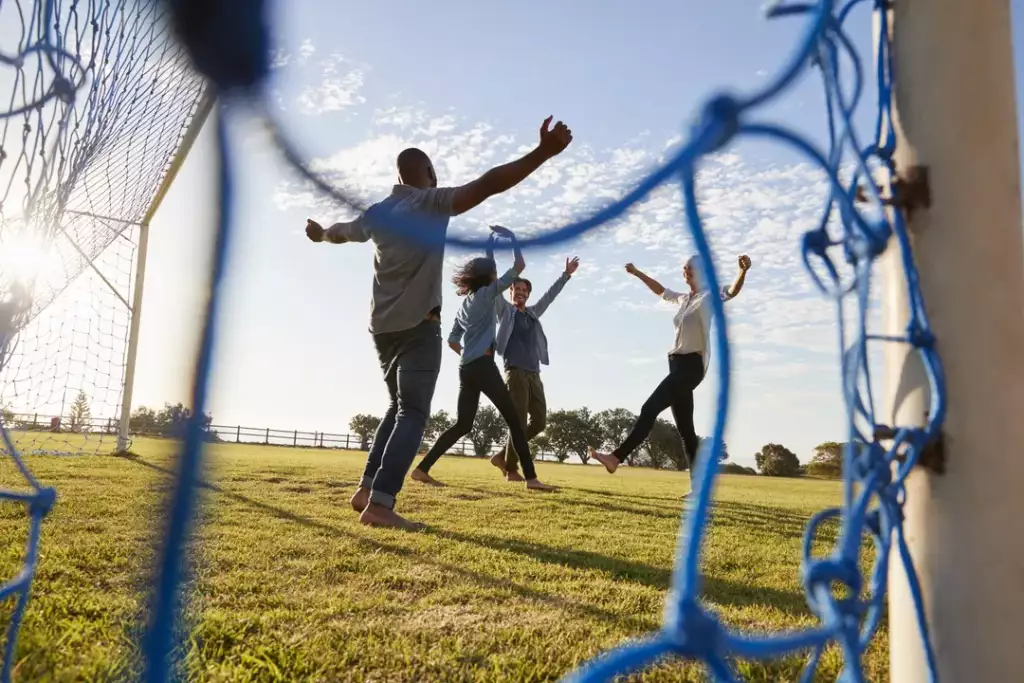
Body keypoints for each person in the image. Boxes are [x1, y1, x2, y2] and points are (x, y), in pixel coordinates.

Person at [305, 116, 572, 529]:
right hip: (418, 327)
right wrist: (542, 153)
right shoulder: (429, 201)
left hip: (382, 329)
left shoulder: (378, 213)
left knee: (397, 408)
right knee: (413, 412)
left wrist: (321, 234)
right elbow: (488, 184)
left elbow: (342, 231)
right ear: (427, 173)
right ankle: (381, 503)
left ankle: (365, 489)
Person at [590, 254, 752, 495]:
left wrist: (742, 271)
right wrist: (637, 273)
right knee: (687, 431)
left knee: (649, 408)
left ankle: (616, 457)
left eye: (688, 268)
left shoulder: (709, 297)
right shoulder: (684, 299)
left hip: (690, 367)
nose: (684, 271)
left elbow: (732, 291)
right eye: (683, 268)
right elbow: (662, 291)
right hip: (675, 366)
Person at [411, 227, 557, 492]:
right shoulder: (489, 294)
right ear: (489, 277)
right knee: (516, 421)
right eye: (493, 273)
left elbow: (453, 340)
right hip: (483, 366)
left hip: (466, 368)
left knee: (463, 424)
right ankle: (532, 479)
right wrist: (513, 238)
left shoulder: (466, 303)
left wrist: (471, 352)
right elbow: (519, 265)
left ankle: (422, 469)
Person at [487, 256, 579, 481]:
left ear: (528, 294)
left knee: (539, 422)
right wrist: (490, 259)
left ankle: (501, 456)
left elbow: (550, 296)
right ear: (510, 292)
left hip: (534, 372)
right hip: (515, 371)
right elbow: (493, 284)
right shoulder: (505, 311)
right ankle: (510, 469)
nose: (520, 292)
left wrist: (565, 275)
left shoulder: (533, 313)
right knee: (517, 421)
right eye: (516, 288)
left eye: (524, 289)